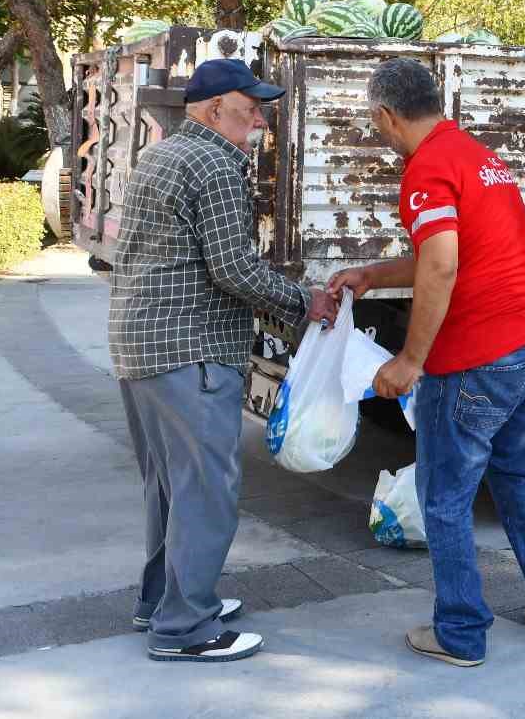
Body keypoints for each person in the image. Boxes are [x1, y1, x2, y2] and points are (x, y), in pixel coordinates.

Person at [328, 58, 525, 667]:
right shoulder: (477, 156)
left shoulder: (425, 170)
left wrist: (410, 360)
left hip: (478, 358)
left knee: (444, 496)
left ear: (386, 116)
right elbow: (447, 254)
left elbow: (442, 264)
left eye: (377, 125)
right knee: (516, 470)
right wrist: (373, 273)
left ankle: (461, 631)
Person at [109, 58, 336, 662]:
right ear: (214, 111)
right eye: (249, 108)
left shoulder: (161, 154)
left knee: (170, 485)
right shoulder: (215, 161)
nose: (259, 121)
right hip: (193, 350)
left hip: (141, 345)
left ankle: (161, 600)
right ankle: (185, 629)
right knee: (207, 489)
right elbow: (233, 269)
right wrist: (303, 302)